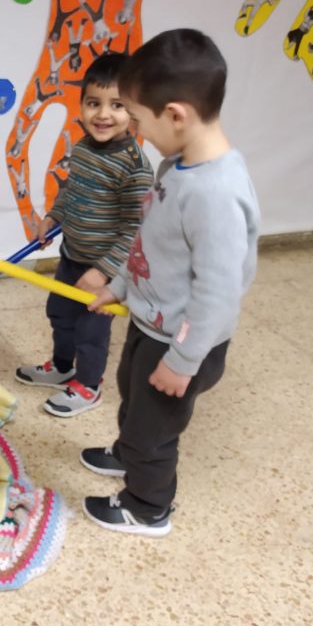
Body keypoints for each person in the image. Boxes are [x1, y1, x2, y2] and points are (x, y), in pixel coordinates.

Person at [82, 29, 260, 537]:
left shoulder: (215, 193)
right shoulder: (177, 165)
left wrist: (183, 361)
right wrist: (120, 285)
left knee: (154, 430)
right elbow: (151, 241)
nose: (137, 131)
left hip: (182, 341)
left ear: (176, 115)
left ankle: (147, 506)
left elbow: (218, 294)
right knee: (132, 394)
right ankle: (128, 452)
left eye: (139, 120)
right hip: (152, 321)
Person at [14, 53, 153, 417]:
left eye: (117, 105)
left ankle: (89, 385)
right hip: (72, 255)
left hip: (105, 271)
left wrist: (104, 271)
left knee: (91, 331)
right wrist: (52, 217)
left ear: (135, 110)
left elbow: (136, 230)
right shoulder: (82, 148)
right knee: (60, 314)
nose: (103, 114)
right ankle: (63, 367)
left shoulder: (135, 168)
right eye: (93, 103)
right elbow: (71, 192)